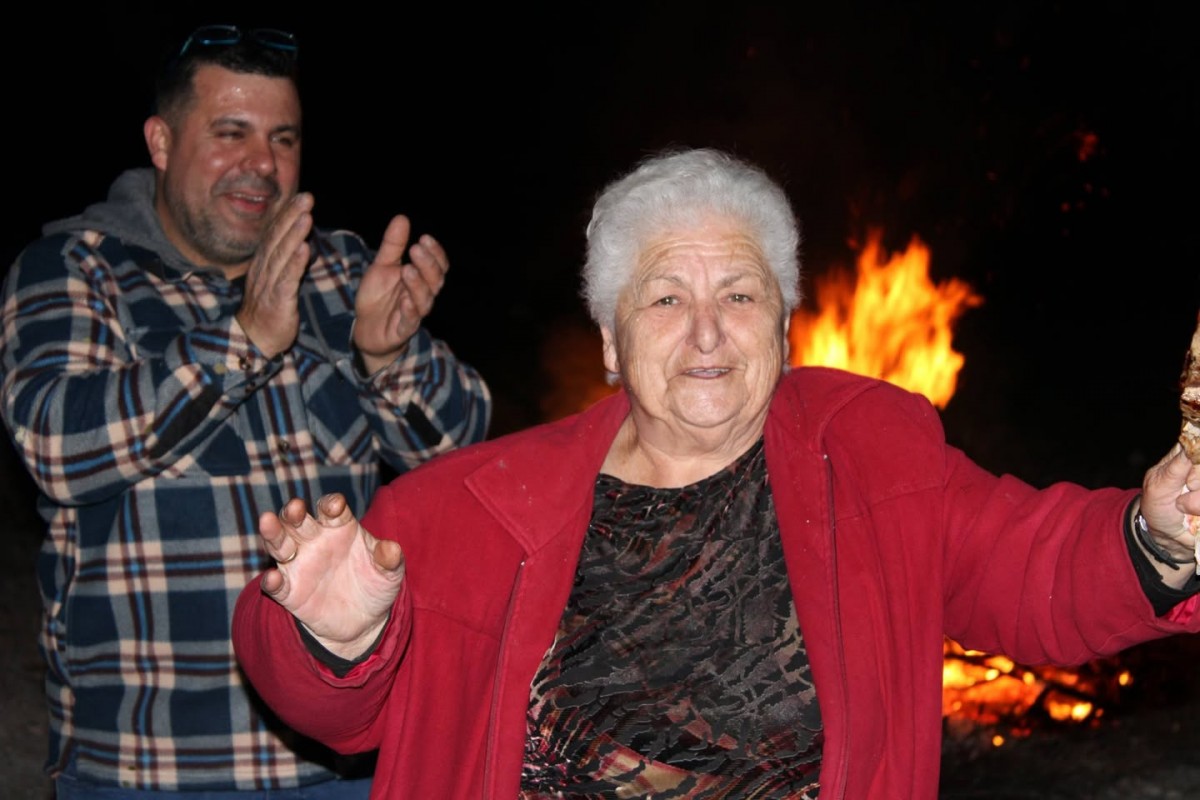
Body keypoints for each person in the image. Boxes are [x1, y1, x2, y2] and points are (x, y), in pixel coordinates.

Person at [231, 146, 1200, 799]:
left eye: (739, 294)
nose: (706, 333)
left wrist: (1156, 536)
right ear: (610, 342)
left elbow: (1031, 565)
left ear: (784, 327)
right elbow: (331, 709)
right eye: (665, 298)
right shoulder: (469, 510)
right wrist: (332, 636)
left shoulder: (873, 455)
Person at [0, 23, 492, 800]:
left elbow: (460, 460)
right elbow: (55, 445)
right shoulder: (76, 267)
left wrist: (390, 358)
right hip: (151, 763)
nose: (262, 163)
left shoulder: (342, 272)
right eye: (231, 133)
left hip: (345, 755)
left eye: (282, 139)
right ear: (162, 142)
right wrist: (244, 341)